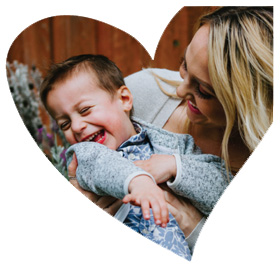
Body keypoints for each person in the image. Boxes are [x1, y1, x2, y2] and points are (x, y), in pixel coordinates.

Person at [64, 6, 273, 255]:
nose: (180, 91)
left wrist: (193, 226)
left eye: (203, 91)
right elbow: (83, 162)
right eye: (184, 65)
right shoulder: (141, 94)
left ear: (251, 102)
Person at [40, 53, 231, 260]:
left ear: (124, 99)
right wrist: (137, 182)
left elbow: (221, 191)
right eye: (65, 124)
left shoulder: (172, 145)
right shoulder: (86, 156)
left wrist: (175, 166)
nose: (76, 127)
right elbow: (103, 166)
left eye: (85, 110)